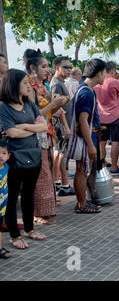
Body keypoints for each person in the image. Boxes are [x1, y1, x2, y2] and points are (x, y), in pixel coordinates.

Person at [0, 69, 48, 249]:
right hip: (13, 157)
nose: (29, 86)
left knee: (29, 194)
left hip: (33, 154)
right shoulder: (3, 106)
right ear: (14, 85)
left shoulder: (30, 104)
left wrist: (24, 126)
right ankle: (14, 235)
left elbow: (43, 126)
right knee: (12, 197)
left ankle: (29, 229)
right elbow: (11, 132)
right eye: (25, 83)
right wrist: (31, 127)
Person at [28, 50, 68, 225]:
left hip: (48, 132)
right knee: (42, 173)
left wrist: (58, 105)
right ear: (32, 68)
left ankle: (47, 209)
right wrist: (53, 105)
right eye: (43, 66)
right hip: (37, 134)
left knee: (48, 170)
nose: (47, 70)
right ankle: (39, 213)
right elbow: (32, 115)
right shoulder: (29, 86)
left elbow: (48, 110)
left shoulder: (43, 86)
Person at [65, 58, 106, 214]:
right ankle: (81, 204)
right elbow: (82, 120)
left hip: (85, 136)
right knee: (81, 170)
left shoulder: (85, 89)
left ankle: (82, 201)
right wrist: (91, 145)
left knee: (82, 170)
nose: (105, 77)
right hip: (83, 138)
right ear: (99, 73)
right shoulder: (86, 92)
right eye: (105, 74)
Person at [94, 61, 119, 175]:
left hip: (101, 116)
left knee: (102, 142)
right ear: (112, 70)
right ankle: (113, 167)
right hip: (115, 116)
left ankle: (101, 164)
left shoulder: (97, 83)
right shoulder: (114, 81)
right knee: (115, 143)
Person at [50, 56, 75, 197]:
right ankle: (64, 184)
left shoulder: (60, 82)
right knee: (62, 154)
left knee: (59, 153)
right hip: (61, 125)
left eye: (70, 67)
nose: (69, 69)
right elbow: (58, 110)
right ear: (57, 68)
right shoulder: (57, 84)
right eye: (66, 67)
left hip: (62, 125)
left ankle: (58, 181)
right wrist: (66, 127)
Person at [0, 140, 11, 258]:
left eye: (3, 153)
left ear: (8, 156)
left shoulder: (7, 167)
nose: (0, 156)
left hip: (2, 204)